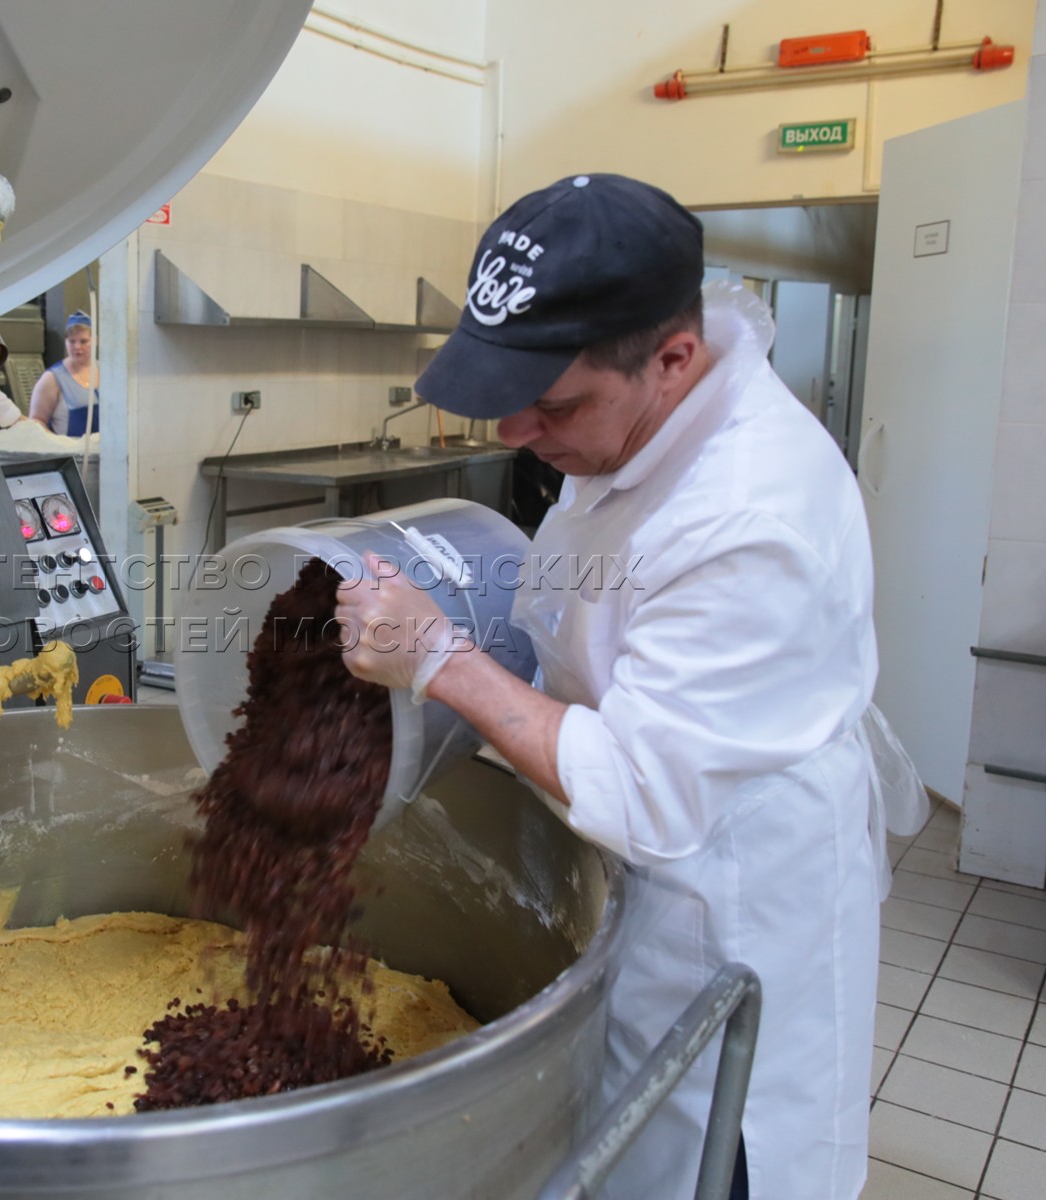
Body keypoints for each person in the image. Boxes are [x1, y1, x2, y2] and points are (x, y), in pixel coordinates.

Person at [335, 174, 879, 1200]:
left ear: (672, 359)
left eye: (552, 405)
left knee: (704, 1160)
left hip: (717, 911)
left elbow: (643, 791)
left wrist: (442, 661)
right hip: (632, 880)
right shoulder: (639, 424)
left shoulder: (747, 517)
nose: (513, 433)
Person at [29, 311, 98, 436]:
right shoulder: (52, 379)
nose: (77, 347)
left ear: (96, 341)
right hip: (70, 447)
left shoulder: (108, 372)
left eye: (83, 341)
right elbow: (36, 422)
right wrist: (57, 444)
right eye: (72, 341)